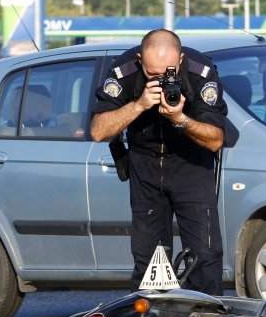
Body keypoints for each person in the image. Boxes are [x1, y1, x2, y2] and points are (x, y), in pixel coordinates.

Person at [91, 29, 227, 295]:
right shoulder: (125, 71)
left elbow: (215, 140)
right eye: (153, 75)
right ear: (140, 59)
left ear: (182, 59)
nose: (163, 81)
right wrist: (139, 105)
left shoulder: (200, 72)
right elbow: (98, 131)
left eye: (169, 72)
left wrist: (181, 120)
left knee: (204, 256)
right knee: (150, 261)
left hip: (191, 163)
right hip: (145, 164)